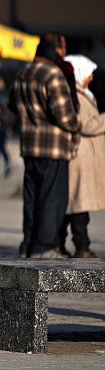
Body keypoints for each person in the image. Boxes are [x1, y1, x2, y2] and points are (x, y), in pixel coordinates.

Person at [9, 36, 80, 258]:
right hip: (53, 147)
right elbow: (65, 115)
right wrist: (77, 124)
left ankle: (28, 244)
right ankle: (45, 246)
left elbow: (12, 103)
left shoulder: (24, 72)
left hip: (29, 146)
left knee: (31, 199)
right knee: (51, 198)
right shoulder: (52, 75)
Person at [60, 55, 105, 258]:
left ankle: (67, 244)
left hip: (84, 158)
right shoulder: (74, 95)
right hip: (79, 158)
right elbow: (85, 124)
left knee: (75, 205)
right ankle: (81, 246)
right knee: (78, 205)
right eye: (88, 74)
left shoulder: (81, 93)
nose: (91, 78)